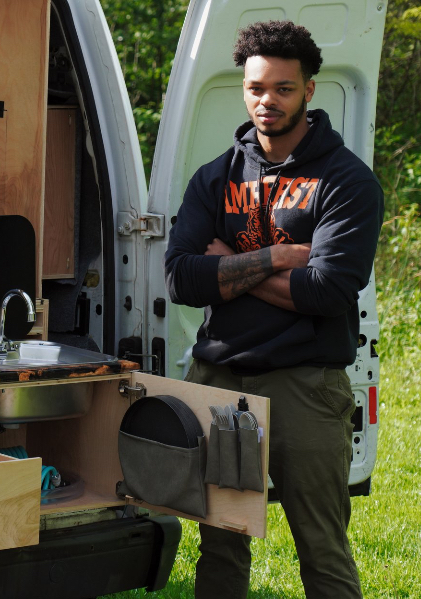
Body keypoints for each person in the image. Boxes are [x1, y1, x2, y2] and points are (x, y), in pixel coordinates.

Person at [163, 20, 383, 599]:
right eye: (257, 87)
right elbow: (182, 278)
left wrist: (234, 265)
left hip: (305, 385)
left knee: (322, 548)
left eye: (283, 88)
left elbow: (329, 292)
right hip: (220, 380)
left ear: (309, 91)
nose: (268, 101)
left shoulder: (345, 182)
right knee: (219, 547)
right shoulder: (215, 178)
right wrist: (278, 257)